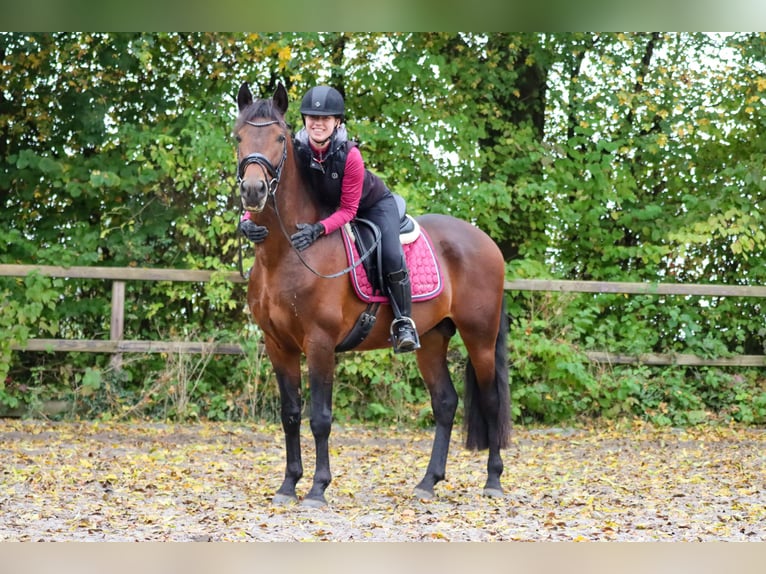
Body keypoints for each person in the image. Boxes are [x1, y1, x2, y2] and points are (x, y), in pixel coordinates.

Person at [239, 85, 420, 353]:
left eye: (325, 118)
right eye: (312, 117)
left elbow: (348, 211)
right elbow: (274, 188)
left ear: (337, 122)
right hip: (327, 206)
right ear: (304, 121)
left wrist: (317, 230)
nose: (318, 123)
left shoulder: (351, 156)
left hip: (371, 206)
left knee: (392, 254)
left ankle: (404, 322)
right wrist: (246, 219)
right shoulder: (295, 149)